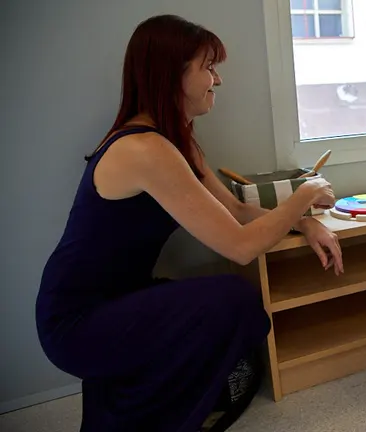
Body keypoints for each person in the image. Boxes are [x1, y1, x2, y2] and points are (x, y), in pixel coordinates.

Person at [35, 14, 343, 432]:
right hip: (77, 319)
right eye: (208, 67)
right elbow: (240, 245)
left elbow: (234, 213)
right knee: (233, 301)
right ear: (171, 73)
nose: (217, 80)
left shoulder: (176, 142)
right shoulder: (145, 149)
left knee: (224, 307)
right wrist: (305, 194)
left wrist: (303, 223)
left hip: (119, 299)